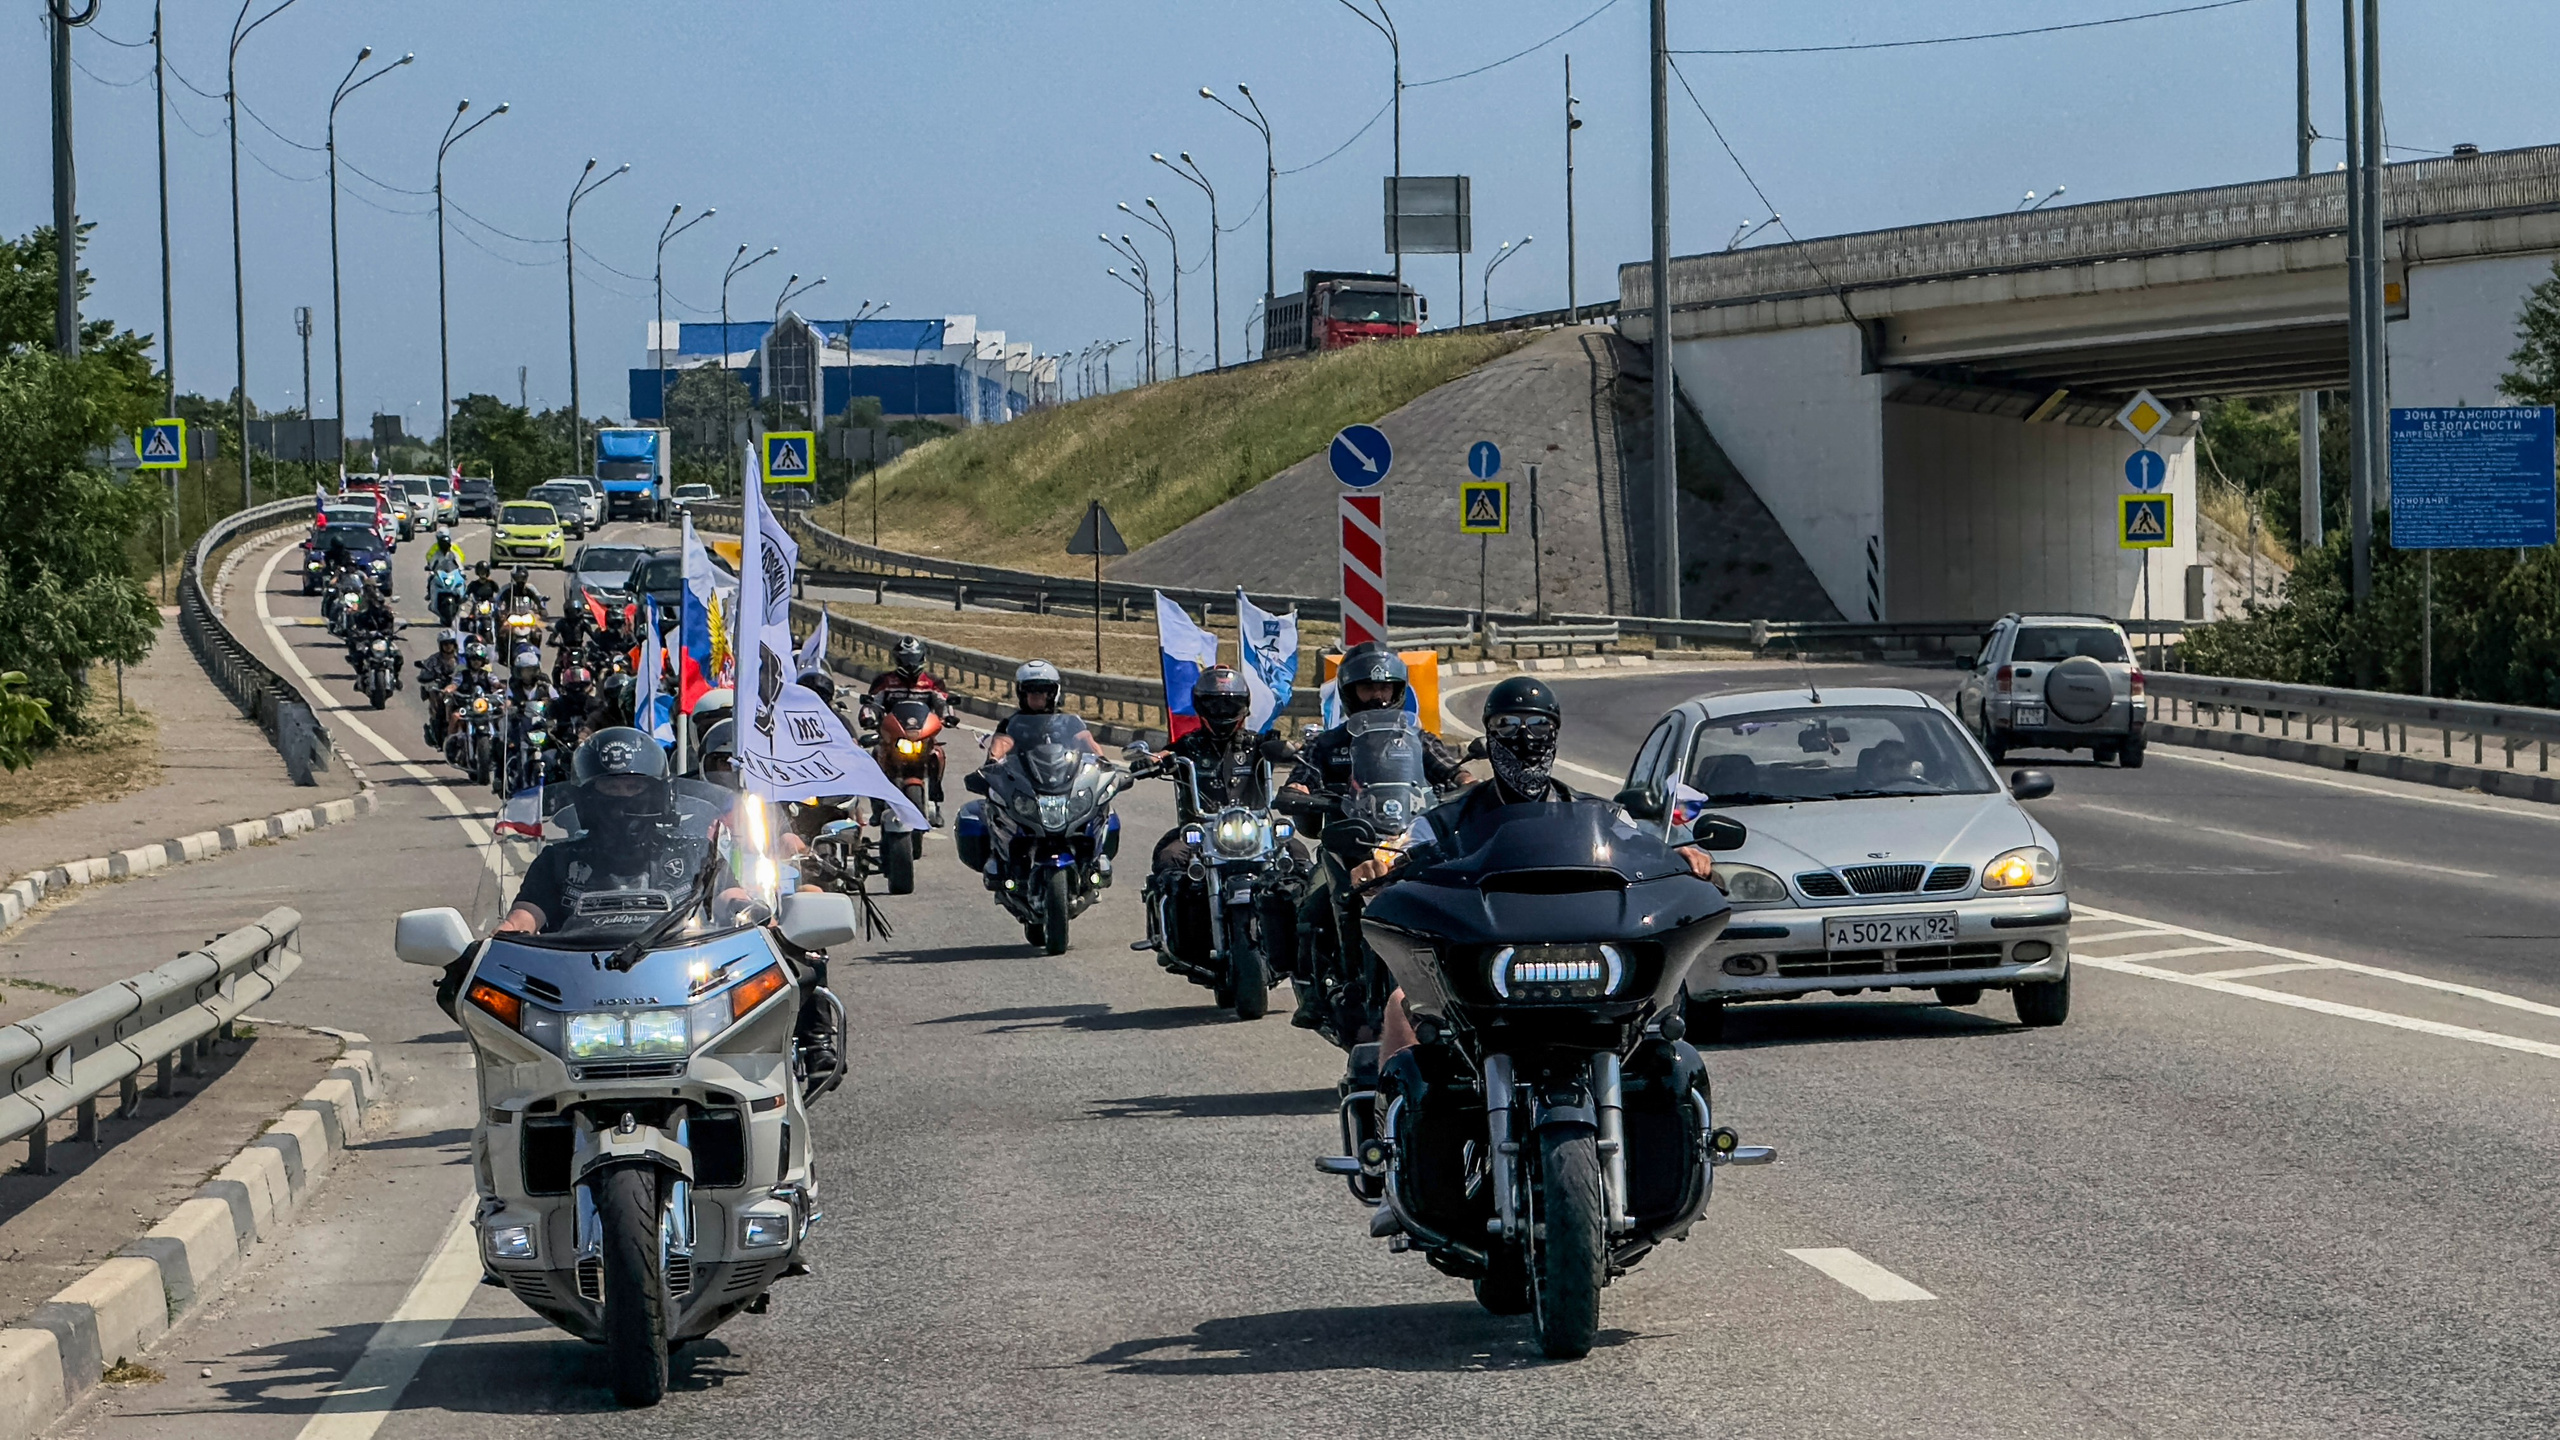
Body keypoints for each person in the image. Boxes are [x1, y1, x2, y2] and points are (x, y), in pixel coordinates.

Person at [1355, 676, 1716, 1061]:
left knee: (1658, 1017)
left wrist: (1683, 859)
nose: (1525, 738)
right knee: (1401, 1002)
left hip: (1586, 950)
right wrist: (1377, 868)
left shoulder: (1603, 816)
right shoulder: (1443, 821)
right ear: (1489, 735)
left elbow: (1645, 852)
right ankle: (1391, 1113)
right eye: (1507, 726)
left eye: (1538, 725)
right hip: (1481, 959)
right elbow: (1399, 854)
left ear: (1555, 733)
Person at [1280, 643, 1469, 1029]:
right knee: (1311, 908)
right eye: (1368, 688)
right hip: (1347, 846)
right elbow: (1299, 781)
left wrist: (1467, 782)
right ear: (1351, 693)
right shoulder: (1327, 744)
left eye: (1385, 688)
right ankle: (1313, 994)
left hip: (1406, 843)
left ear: (1398, 690)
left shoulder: (1418, 738)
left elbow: (1453, 772)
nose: (1378, 695)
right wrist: (1299, 793)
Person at [495, 730, 698, 935]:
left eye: (634, 787)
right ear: (586, 798)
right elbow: (524, 916)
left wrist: (732, 903)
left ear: (659, 795)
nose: (623, 798)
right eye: (611, 787)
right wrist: (501, 936)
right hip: (576, 964)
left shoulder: (693, 854)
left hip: (677, 962)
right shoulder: (557, 861)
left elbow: (728, 898)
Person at [985, 659, 1100, 763]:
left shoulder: (1069, 722)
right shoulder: (1011, 724)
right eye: (1030, 689)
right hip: (1022, 781)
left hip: (1064, 779)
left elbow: (1084, 739)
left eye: (1043, 689)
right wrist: (992, 761)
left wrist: (1103, 761)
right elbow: (1002, 743)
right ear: (1022, 693)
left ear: (1052, 693)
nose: (1036, 694)